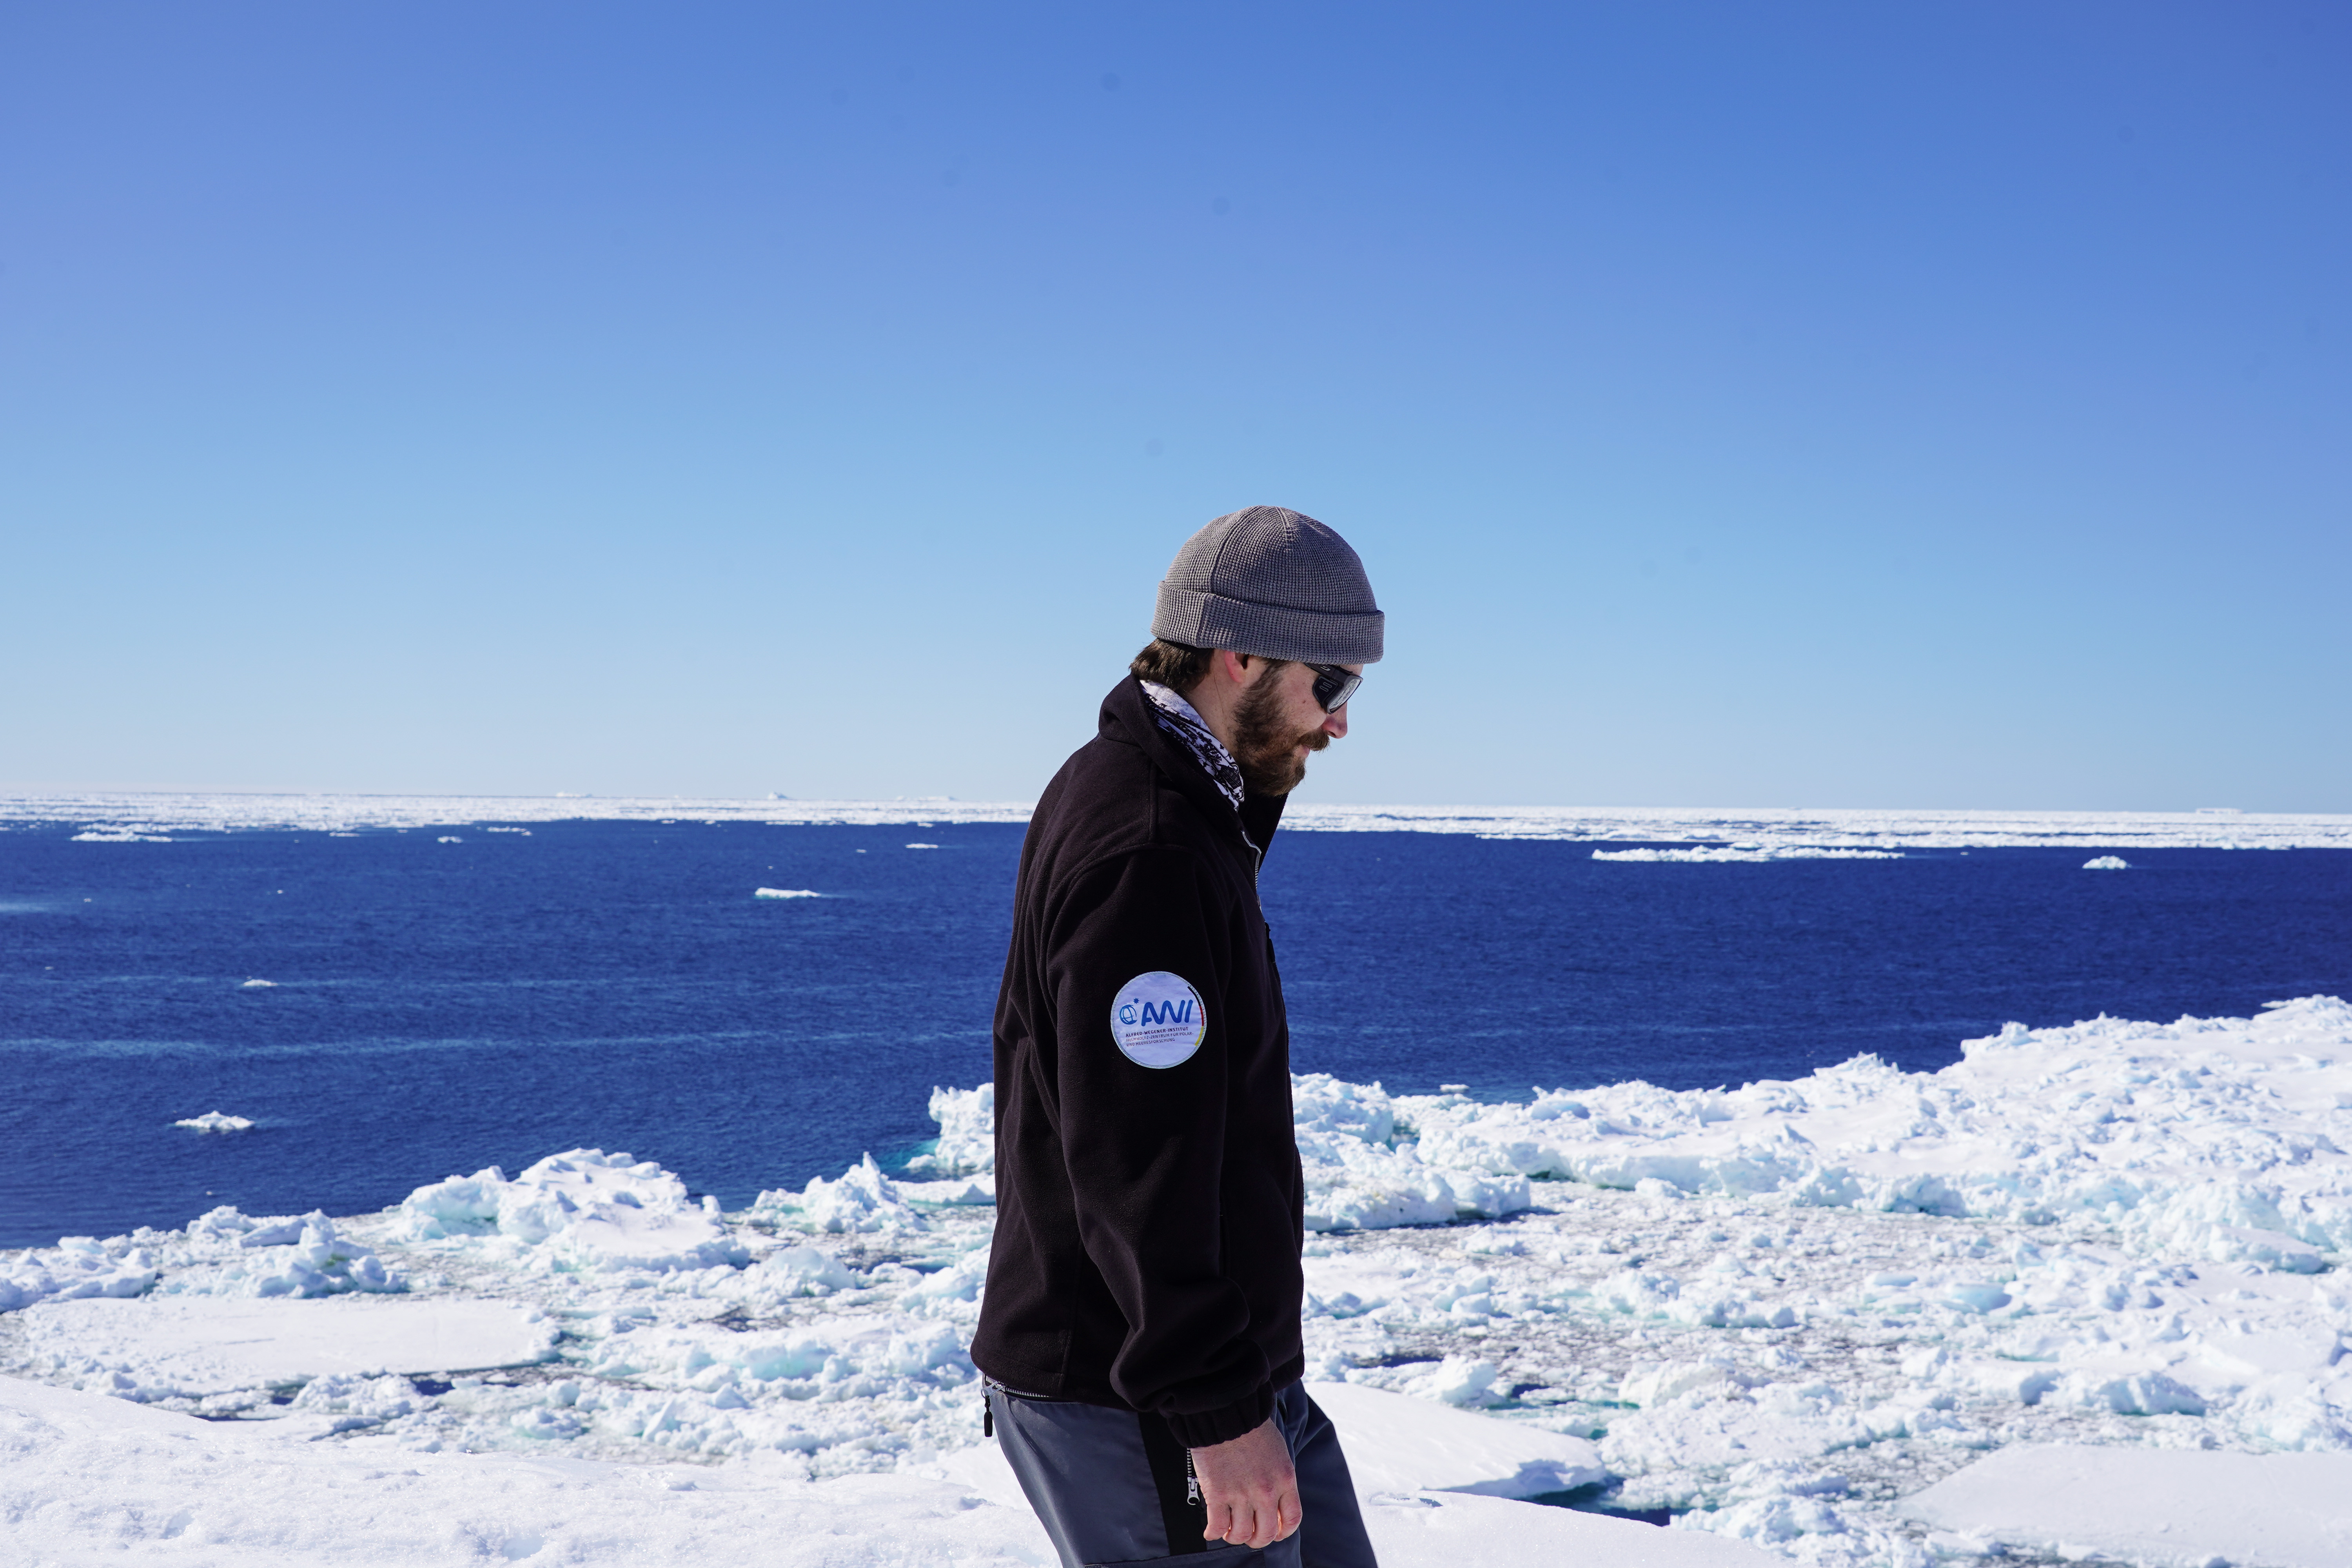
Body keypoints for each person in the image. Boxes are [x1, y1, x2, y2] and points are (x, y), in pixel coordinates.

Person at [972, 506, 1384, 1567]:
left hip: (1219, 1373)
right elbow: (1133, 1155)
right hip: (1138, 1394)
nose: (1340, 724)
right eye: (1328, 685)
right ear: (1239, 657)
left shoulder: (1184, 810)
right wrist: (1214, 1411)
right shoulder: (1149, 844)